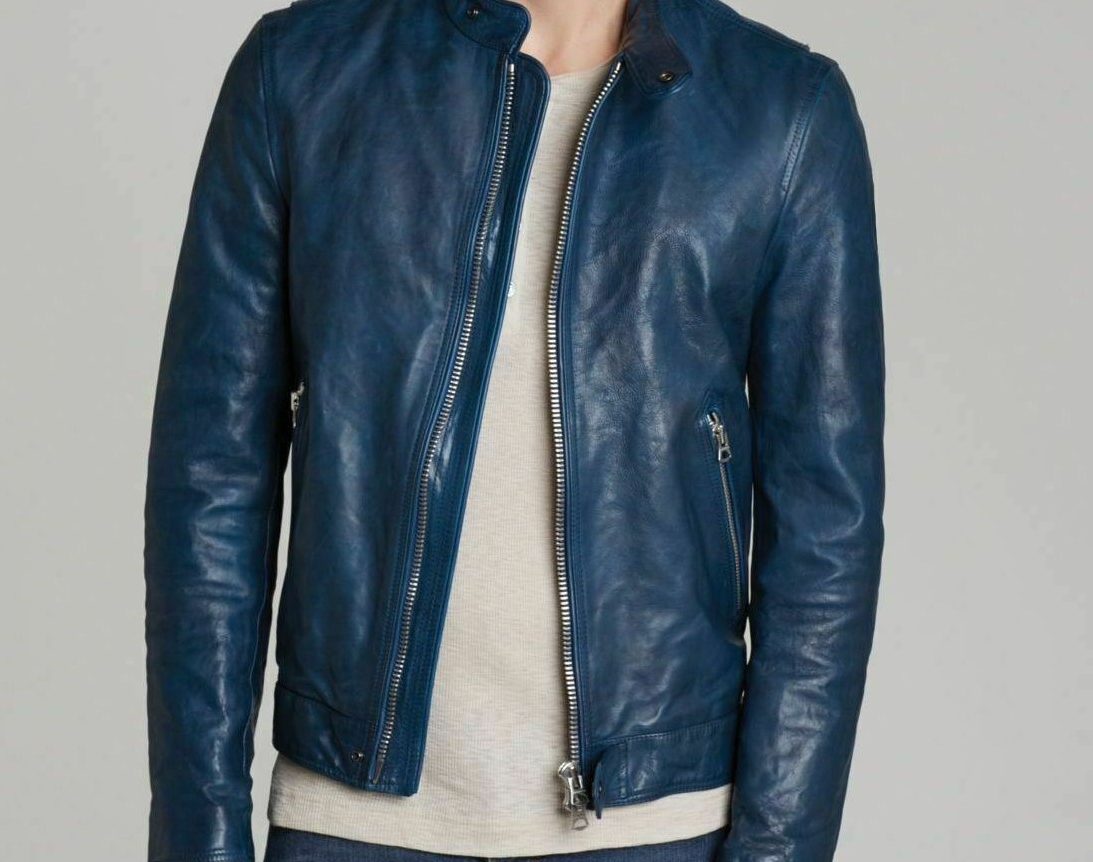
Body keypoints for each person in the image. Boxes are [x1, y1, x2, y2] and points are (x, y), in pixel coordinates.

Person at [143, 0, 886, 860]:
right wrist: (198, 839)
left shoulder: (780, 107)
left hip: (656, 824)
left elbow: (826, 530)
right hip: (352, 821)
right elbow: (209, 484)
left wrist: (779, 850)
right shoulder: (304, 71)